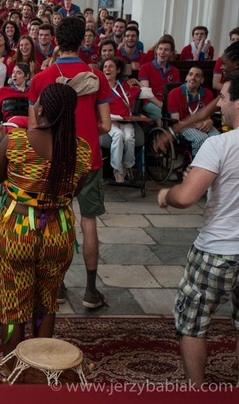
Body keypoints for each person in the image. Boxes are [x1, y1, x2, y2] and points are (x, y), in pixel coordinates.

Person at [0, 82, 91, 357]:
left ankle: (13, 369)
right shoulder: (81, 150)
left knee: (13, 305)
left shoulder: (16, 141)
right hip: (58, 232)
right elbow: (73, 192)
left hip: (17, 231)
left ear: (41, 108)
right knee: (46, 303)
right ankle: (41, 368)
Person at [156, 72, 239, 385]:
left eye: (225, 98)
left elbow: (187, 197)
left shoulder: (219, 144)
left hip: (219, 248)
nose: (220, 104)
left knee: (193, 321)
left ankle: (196, 391)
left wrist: (168, 194)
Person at [28, 16, 112, 309]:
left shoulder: (42, 78)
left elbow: (33, 124)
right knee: (89, 223)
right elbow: (106, 125)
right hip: (88, 159)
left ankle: (58, 286)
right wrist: (84, 132)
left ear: (56, 41)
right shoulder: (96, 76)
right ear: (83, 41)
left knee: (52, 223)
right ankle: (90, 291)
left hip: (55, 160)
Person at [102, 57, 141, 183]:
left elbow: (142, 92)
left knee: (129, 137)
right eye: (105, 67)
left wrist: (137, 83)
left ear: (118, 70)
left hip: (126, 120)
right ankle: (117, 170)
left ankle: (128, 166)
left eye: (111, 66)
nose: (107, 69)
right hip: (109, 121)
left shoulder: (125, 86)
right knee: (118, 135)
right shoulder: (100, 87)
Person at [167, 67, 218, 156]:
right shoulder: (174, 93)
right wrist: (194, 125)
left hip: (203, 124)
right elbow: (176, 121)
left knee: (218, 139)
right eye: (190, 74)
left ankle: (214, 164)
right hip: (183, 126)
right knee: (201, 139)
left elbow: (207, 116)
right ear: (186, 77)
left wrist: (209, 121)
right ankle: (197, 167)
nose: (193, 78)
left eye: (197, 76)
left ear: (202, 80)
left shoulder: (208, 93)